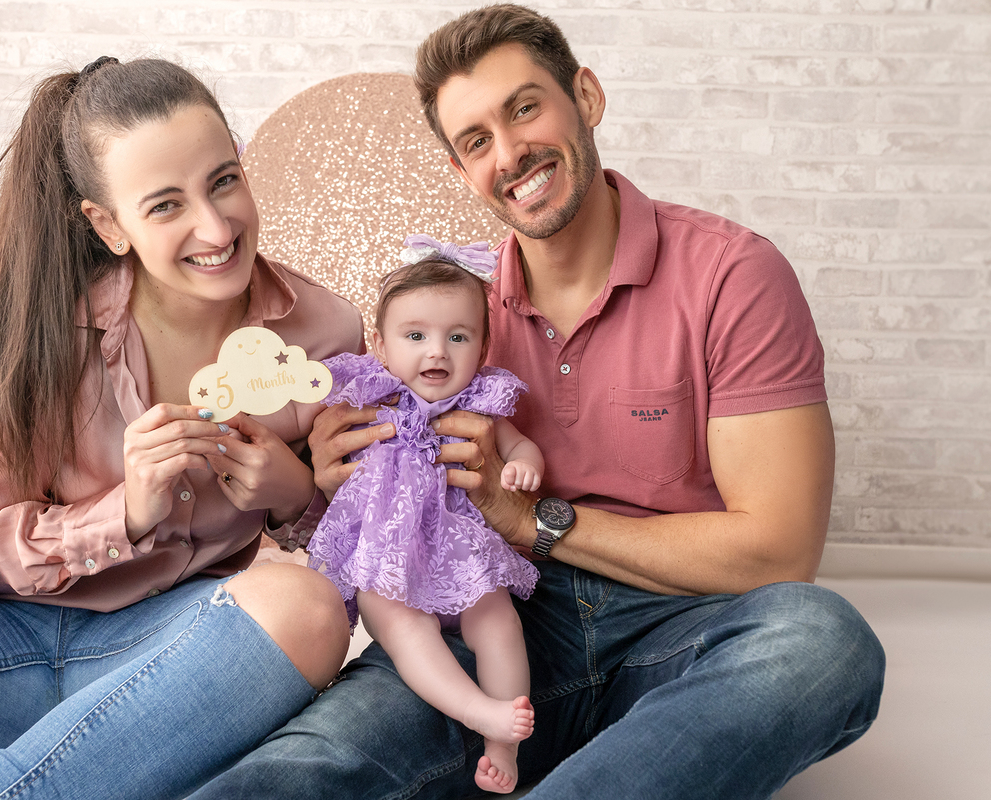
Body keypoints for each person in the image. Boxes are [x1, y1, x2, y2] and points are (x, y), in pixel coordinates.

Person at [187, 5, 885, 799]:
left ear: (584, 97)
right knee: (309, 762)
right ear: (461, 173)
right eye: (476, 140)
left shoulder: (733, 276)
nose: (510, 152)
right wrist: (327, 471)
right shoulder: (455, 325)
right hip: (502, 610)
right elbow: (360, 477)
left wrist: (535, 521)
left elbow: (780, 553)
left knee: (825, 643)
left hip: (688, 626)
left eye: (525, 108)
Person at [0, 56, 363, 800]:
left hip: (159, 663)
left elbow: (373, 541)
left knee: (308, 610)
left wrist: (294, 498)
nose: (215, 227)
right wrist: (123, 513)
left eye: (224, 180)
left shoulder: (323, 334)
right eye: (165, 205)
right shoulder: (38, 330)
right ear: (108, 224)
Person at [308, 236, 544, 793]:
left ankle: (502, 747)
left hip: (464, 556)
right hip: (388, 559)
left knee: (500, 623)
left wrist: (523, 469)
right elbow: (318, 417)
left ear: (483, 349)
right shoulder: (373, 398)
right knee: (402, 627)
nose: (437, 352)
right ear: (381, 346)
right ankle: (476, 710)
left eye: (457, 337)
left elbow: (520, 447)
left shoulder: (481, 404)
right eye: (416, 336)